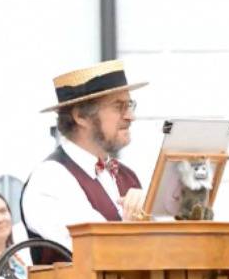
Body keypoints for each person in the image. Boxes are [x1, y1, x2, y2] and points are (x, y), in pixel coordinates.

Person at [20, 59, 148, 259]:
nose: (131, 116)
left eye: (129, 105)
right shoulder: (49, 179)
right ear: (81, 116)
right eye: (118, 106)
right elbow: (97, 251)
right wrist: (134, 226)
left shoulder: (127, 175)